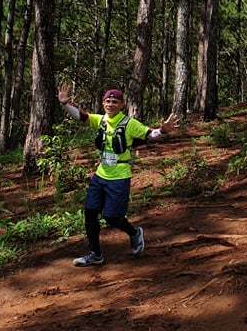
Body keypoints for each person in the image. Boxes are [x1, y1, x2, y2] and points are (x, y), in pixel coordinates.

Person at [57, 85, 179, 267]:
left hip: (120, 176)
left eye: (115, 102)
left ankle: (134, 232)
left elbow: (148, 134)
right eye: (108, 101)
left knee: (112, 217)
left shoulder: (129, 123)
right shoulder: (101, 120)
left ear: (122, 105)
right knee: (90, 213)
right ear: (103, 103)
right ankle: (95, 254)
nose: (111, 104)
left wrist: (162, 130)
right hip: (100, 175)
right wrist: (65, 104)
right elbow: (82, 116)